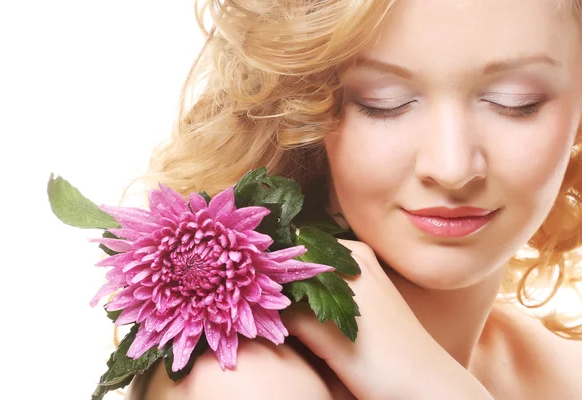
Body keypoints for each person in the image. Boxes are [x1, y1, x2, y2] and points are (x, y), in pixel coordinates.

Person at [124, 0, 582, 398]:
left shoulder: (564, 369)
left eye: (515, 100)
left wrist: (431, 384)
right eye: (384, 101)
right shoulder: (243, 380)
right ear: (305, 111)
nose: (453, 167)